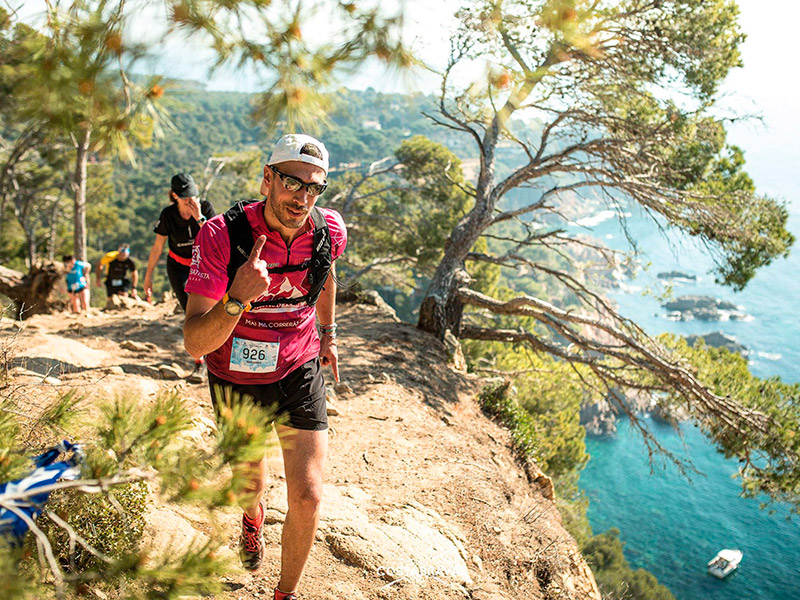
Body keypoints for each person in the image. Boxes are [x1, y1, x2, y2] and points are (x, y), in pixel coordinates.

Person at [183, 134, 346, 600]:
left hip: (298, 365)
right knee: (249, 482)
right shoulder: (222, 235)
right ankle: (252, 517)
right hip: (235, 376)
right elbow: (195, 341)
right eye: (293, 183)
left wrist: (329, 335)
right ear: (268, 179)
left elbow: (326, 272)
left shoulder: (329, 231)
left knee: (309, 495)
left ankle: (285, 594)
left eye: (316, 187)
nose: (304, 197)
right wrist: (237, 298)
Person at [143, 173, 216, 382]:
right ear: (175, 196)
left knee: (212, 309)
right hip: (178, 267)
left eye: (192, 196)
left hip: (203, 265)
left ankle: (217, 355)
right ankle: (200, 362)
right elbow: (157, 247)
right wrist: (148, 278)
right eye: (185, 198)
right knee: (191, 311)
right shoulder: (168, 215)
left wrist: (199, 217)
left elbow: (216, 239)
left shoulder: (206, 208)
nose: (190, 201)